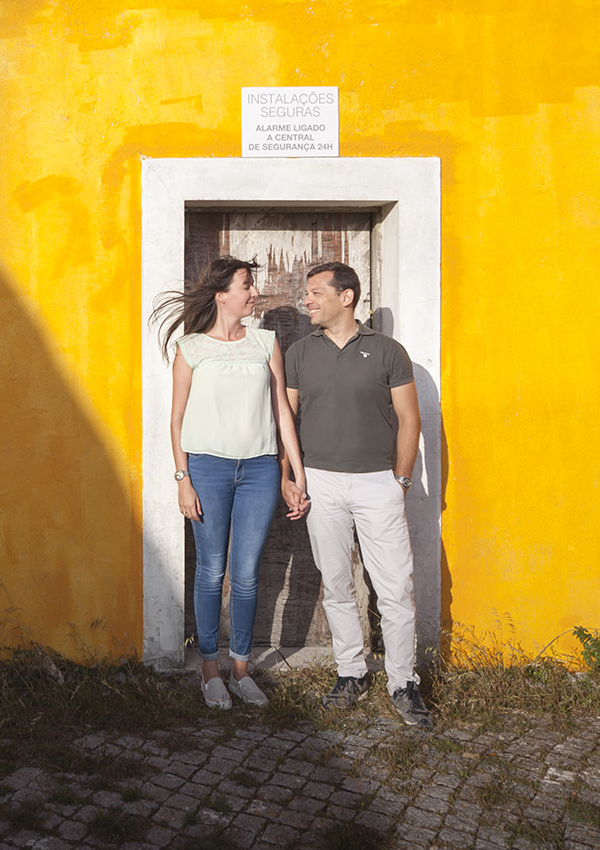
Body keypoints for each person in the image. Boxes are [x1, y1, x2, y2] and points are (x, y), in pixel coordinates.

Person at [152, 258, 309, 710]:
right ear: (222, 295)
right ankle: (209, 670)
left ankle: (241, 670)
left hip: (259, 469)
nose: (254, 292)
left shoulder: (265, 342)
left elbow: (282, 411)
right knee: (210, 570)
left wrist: (296, 472)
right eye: (246, 285)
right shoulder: (191, 348)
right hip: (208, 469)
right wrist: (183, 479)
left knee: (245, 574)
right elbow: (177, 419)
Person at [284, 262, 432, 729]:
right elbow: (286, 421)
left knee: (395, 588)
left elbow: (411, 419)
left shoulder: (388, 351)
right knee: (337, 585)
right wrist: (288, 476)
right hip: (320, 481)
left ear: (346, 297)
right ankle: (351, 673)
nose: (306, 300)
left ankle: (403, 683)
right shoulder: (299, 353)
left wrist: (401, 481)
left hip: (378, 483)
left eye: (314, 292)